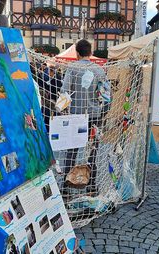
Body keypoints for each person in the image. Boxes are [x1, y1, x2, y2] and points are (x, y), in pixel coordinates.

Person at [61, 39, 110, 194]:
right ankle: (91, 185)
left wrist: (63, 111)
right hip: (95, 116)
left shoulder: (72, 68)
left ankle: (66, 186)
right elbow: (107, 95)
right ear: (90, 52)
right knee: (92, 151)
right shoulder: (99, 70)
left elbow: (64, 91)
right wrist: (104, 113)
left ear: (77, 52)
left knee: (72, 151)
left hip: (76, 116)